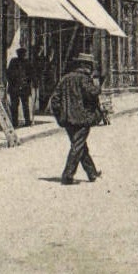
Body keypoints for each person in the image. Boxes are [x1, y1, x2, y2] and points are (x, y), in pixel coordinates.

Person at [49, 52, 107, 184]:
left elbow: (55, 100)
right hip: (82, 119)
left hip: (67, 119)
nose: (92, 69)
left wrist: (60, 115)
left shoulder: (65, 78)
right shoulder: (84, 79)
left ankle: (92, 173)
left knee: (80, 146)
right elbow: (92, 93)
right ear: (85, 66)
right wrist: (98, 86)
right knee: (77, 146)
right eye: (91, 66)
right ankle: (67, 175)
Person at [5, 46, 32, 129]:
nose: (22, 55)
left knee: (25, 105)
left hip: (23, 87)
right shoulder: (13, 62)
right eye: (21, 54)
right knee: (14, 106)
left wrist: (28, 83)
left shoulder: (27, 63)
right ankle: (15, 122)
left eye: (23, 54)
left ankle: (27, 121)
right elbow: (8, 73)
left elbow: (31, 74)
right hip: (15, 87)